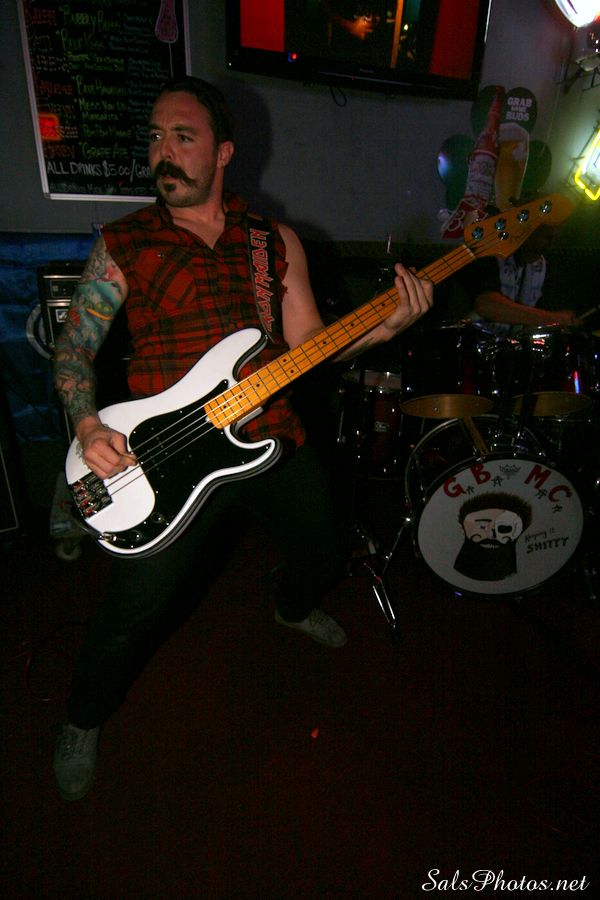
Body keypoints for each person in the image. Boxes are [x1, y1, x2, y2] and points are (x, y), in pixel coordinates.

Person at [51, 75, 433, 800]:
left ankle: (290, 606)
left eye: (182, 137)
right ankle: (82, 716)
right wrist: (88, 422)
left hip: (270, 434)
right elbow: (73, 346)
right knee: (131, 611)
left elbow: (311, 348)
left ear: (223, 152)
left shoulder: (273, 241)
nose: (163, 152)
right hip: (163, 455)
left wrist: (381, 329)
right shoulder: (123, 242)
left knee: (325, 543)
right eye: (155, 137)